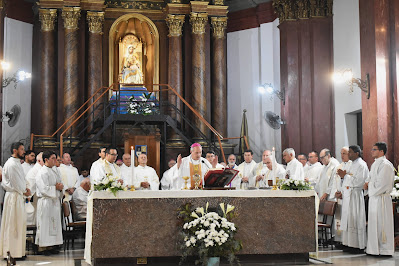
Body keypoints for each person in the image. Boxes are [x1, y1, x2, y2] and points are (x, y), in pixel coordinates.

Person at [0, 142, 31, 259]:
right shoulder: (11, 164)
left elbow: (22, 180)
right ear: (15, 150)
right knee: (13, 225)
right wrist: (25, 191)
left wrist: (26, 189)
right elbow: (16, 183)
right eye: (21, 149)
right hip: (14, 197)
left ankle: (18, 252)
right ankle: (11, 252)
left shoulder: (17, 163)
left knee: (19, 224)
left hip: (18, 196)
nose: (23, 152)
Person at [365, 142, 395, 256]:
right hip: (374, 198)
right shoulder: (375, 164)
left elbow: (382, 184)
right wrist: (367, 184)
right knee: (374, 224)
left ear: (381, 151)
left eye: (374, 149)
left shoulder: (386, 165)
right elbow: (371, 179)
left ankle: (384, 249)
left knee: (382, 224)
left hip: (381, 199)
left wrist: (369, 185)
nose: (371, 151)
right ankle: (373, 249)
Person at [338, 145, 368, 251]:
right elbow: (346, 178)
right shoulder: (351, 164)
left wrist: (344, 176)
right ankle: (347, 243)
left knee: (355, 220)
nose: (348, 154)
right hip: (348, 195)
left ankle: (357, 245)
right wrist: (342, 187)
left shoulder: (361, 165)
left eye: (350, 152)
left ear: (357, 153)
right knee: (348, 220)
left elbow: (359, 182)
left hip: (355, 195)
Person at [35, 151, 64, 255]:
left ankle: (52, 245)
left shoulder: (55, 170)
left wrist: (60, 188)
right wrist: (55, 188)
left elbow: (60, 183)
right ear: (46, 160)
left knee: (53, 225)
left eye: (55, 158)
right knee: (45, 225)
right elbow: (43, 189)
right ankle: (44, 247)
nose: (55, 160)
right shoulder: (42, 172)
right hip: (46, 202)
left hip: (54, 201)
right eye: (53, 158)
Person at [330, 147, 352, 244]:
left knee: (347, 219)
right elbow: (334, 182)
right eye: (341, 153)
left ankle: (347, 241)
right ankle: (340, 240)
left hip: (348, 198)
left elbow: (352, 182)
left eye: (344, 153)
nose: (342, 156)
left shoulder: (353, 166)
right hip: (339, 198)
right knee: (339, 220)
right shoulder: (339, 166)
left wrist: (343, 193)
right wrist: (335, 192)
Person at [25, 152, 44, 226]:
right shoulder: (37, 170)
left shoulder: (40, 168)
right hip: (32, 197)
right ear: (39, 160)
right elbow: (30, 184)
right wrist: (28, 197)